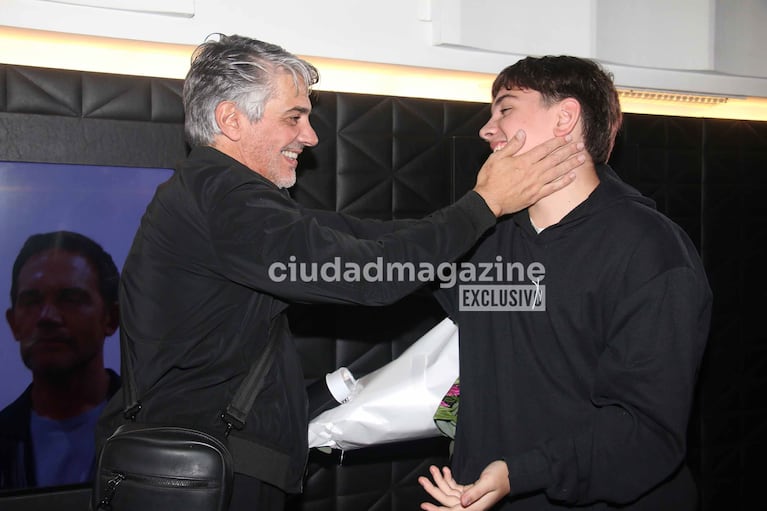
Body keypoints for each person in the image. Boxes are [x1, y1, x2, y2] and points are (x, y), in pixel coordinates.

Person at [95, 34, 586, 511]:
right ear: (231, 119)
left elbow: (357, 237)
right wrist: (485, 204)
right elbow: (367, 275)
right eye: (294, 117)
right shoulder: (226, 201)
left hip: (218, 464)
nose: (309, 136)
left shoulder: (219, 195)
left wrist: (509, 275)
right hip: (206, 474)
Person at [418, 55, 713, 511]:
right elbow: (383, 265)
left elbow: (647, 433)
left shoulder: (651, 252)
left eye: (505, 108)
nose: (486, 128)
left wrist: (522, 472)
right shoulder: (483, 240)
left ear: (565, 118)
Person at [0, 231, 121, 489]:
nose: (47, 316)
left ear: (110, 318)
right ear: (14, 324)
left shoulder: (155, 431)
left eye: (70, 299)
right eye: (31, 301)